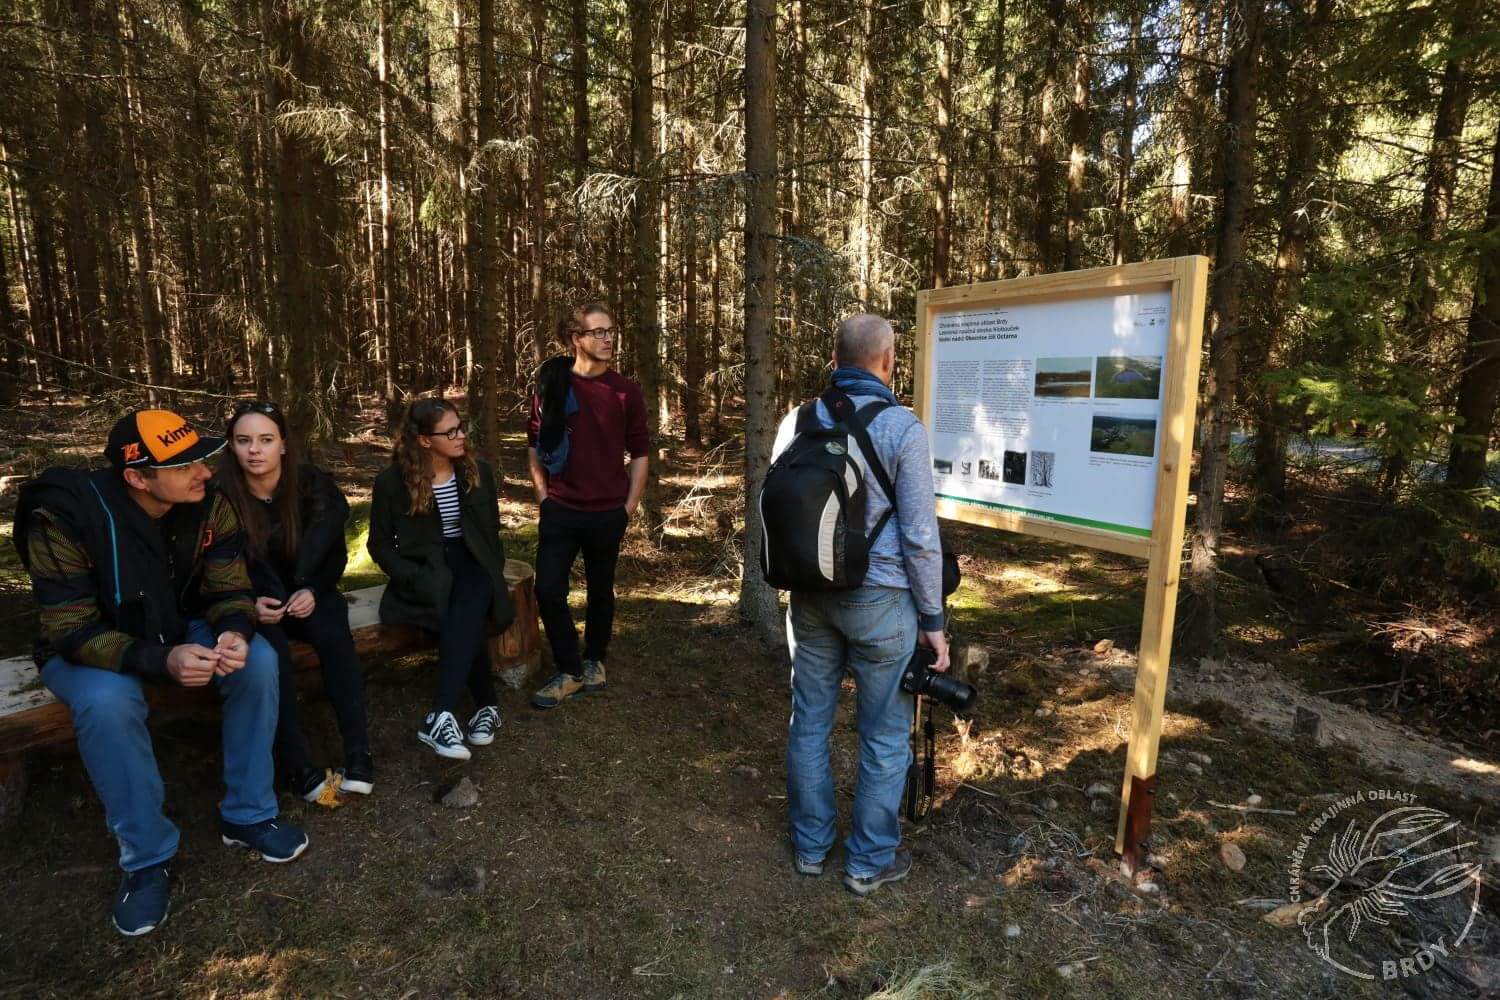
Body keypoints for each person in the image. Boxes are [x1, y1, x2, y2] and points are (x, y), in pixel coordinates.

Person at [12, 408, 308, 938]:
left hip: (178, 625)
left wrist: (234, 630)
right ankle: (146, 857)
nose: (205, 472)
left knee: (258, 660)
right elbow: (71, 628)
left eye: (202, 459)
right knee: (108, 703)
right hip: (89, 647)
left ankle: (248, 814)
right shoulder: (63, 517)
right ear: (137, 477)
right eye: (185, 465)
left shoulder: (210, 503)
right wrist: (159, 660)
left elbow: (229, 588)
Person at [772, 314, 950, 897]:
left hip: (810, 595)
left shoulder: (796, 420)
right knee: (884, 736)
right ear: (888, 361)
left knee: (809, 723)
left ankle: (810, 847)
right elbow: (920, 536)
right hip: (883, 603)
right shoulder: (902, 427)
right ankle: (868, 862)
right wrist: (933, 620)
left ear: (835, 360)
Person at [217, 400, 373, 803]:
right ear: (232, 446)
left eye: (266, 440)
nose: (255, 450)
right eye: (244, 441)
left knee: (334, 634)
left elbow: (332, 554)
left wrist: (314, 589)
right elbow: (215, 569)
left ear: (283, 444)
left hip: (307, 596)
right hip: (253, 606)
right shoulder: (220, 498)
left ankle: (359, 754)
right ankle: (297, 765)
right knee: (273, 659)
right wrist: (248, 604)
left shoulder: (310, 485)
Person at [367, 398, 515, 760]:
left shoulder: (478, 472)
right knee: (460, 609)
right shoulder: (391, 483)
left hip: (474, 560)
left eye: (460, 427)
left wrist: (493, 566)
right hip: (428, 567)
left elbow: (491, 532)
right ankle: (487, 705)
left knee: (471, 597)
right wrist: (412, 576)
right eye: (450, 432)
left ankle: (441, 713)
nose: (460, 435)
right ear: (424, 440)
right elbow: (379, 545)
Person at [525, 304, 649, 710]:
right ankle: (569, 668)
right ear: (575, 338)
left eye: (611, 330)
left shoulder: (625, 391)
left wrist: (629, 507)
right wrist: (543, 497)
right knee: (548, 589)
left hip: (608, 511)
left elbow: (640, 452)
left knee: (600, 589)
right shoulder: (552, 385)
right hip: (560, 509)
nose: (608, 338)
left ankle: (595, 659)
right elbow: (534, 444)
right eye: (598, 332)